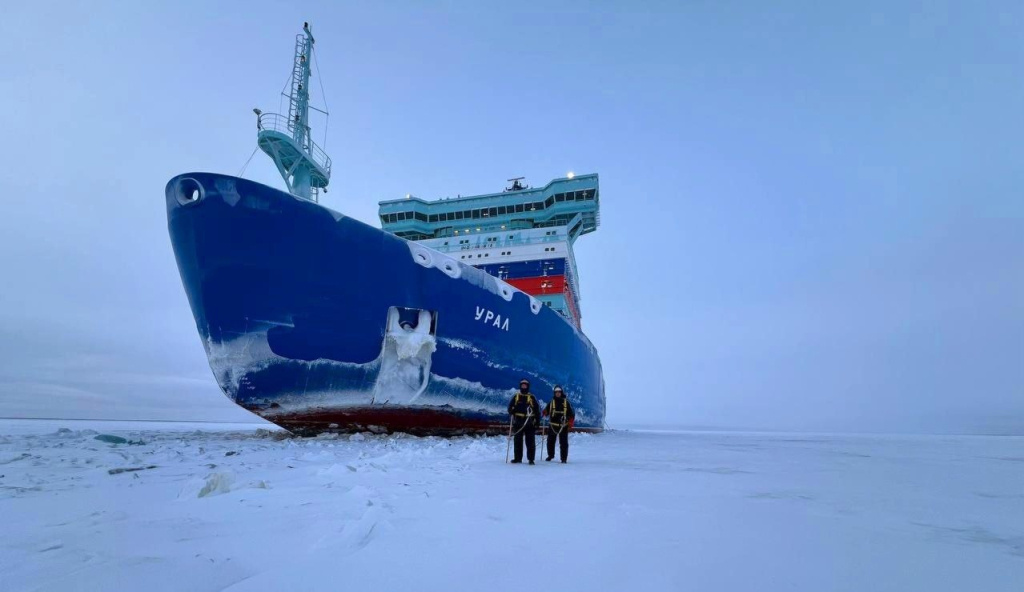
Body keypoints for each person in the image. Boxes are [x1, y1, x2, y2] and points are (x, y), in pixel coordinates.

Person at [507, 379, 540, 464]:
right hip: (518, 422)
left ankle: (531, 459)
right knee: (517, 441)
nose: (524, 387)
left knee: (530, 442)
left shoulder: (532, 397)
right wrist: (511, 411)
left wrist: (537, 422)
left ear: (528, 387)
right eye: (522, 385)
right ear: (520, 386)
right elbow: (509, 408)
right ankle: (517, 458)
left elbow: (537, 410)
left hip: (529, 422)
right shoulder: (516, 397)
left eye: (525, 385)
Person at [542, 385, 575, 463]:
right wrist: (545, 412)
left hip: (563, 426)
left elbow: (572, 414)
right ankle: (550, 455)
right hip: (552, 425)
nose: (557, 393)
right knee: (550, 441)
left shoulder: (566, 402)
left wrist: (570, 422)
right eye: (556, 392)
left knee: (563, 443)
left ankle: (563, 458)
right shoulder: (551, 402)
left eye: (559, 392)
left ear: (561, 393)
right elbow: (546, 410)